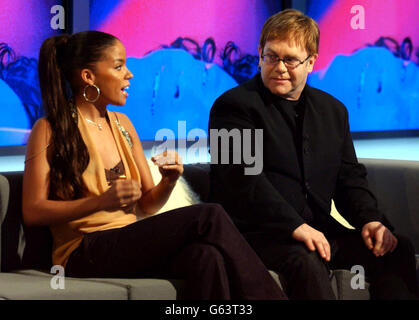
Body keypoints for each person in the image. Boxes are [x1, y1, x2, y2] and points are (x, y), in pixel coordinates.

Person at [22, 30, 287, 300]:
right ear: (88, 77)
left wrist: (169, 180)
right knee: (209, 215)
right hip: (83, 250)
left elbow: (147, 205)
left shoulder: (123, 125)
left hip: (125, 239)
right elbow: (33, 211)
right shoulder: (49, 129)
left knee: (206, 257)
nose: (129, 74)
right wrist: (100, 202)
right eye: (118, 66)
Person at [208, 9, 418, 300]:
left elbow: (348, 178)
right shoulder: (232, 107)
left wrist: (370, 219)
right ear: (260, 54)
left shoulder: (333, 111)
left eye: (290, 59)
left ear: (311, 62)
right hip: (257, 235)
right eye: (271, 57)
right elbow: (241, 181)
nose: (279, 67)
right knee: (306, 260)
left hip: (319, 231)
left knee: (397, 250)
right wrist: (295, 226)